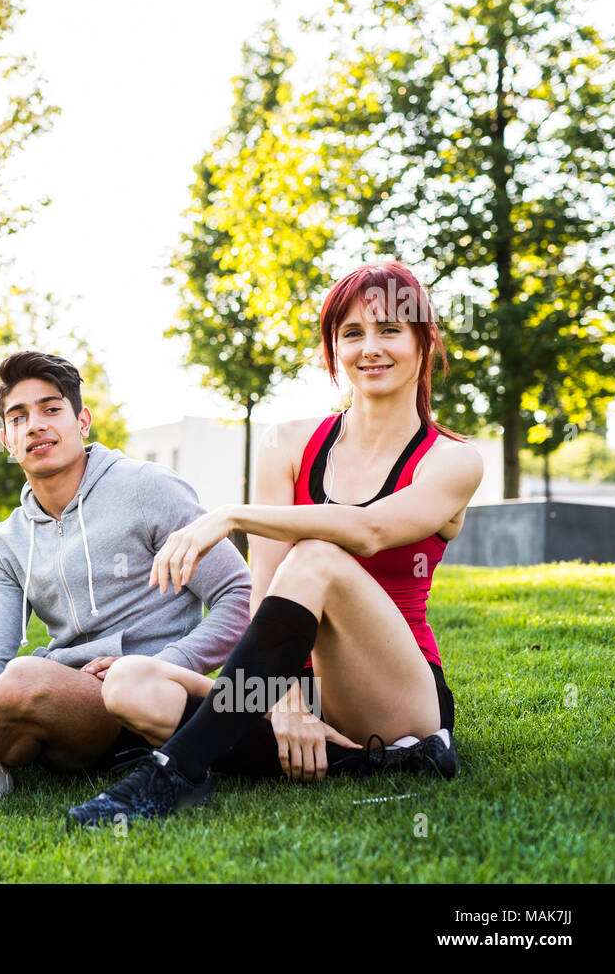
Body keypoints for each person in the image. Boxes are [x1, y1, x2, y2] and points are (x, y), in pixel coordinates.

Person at [67, 261, 485, 828]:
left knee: (316, 553)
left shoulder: (453, 460)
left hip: (395, 693)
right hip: (289, 682)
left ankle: (178, 772)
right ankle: (371, 764)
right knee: (130, 685)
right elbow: (266, 588)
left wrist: (231, 514)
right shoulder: (286, 443)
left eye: (390, 329)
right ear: (334, 348)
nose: (371, 349)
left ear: (423, 340)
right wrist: (288, 700)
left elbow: (370, 530)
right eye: (352, 334)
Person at [0, 351, 252, 814]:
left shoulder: (148, 488)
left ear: (82, 421)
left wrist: (165, 666)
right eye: (19, 417)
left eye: (51, 409)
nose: (35, 425)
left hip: (129, 705)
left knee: (25, 677)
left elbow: (237, 594)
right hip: (58, 691)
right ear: (7, 440)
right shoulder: (9, 539)